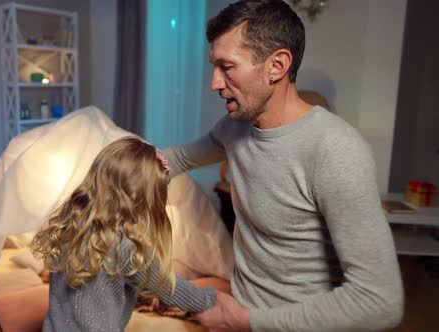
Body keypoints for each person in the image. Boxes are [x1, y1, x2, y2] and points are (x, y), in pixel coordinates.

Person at [163, 1, 404, 331]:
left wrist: (247, 321)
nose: (214, 84)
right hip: (243, 313)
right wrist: (111, 164)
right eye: (213, 67)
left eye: (227, 67)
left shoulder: (335, 151)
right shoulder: (234, 128)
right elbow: (175, 159)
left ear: (276, 66)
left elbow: (380, 301)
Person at [31, 137, 216, 332]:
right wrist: (210, 299)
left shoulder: (69, 225)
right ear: (143, 199)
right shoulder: (125, 248)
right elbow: (168, 287)